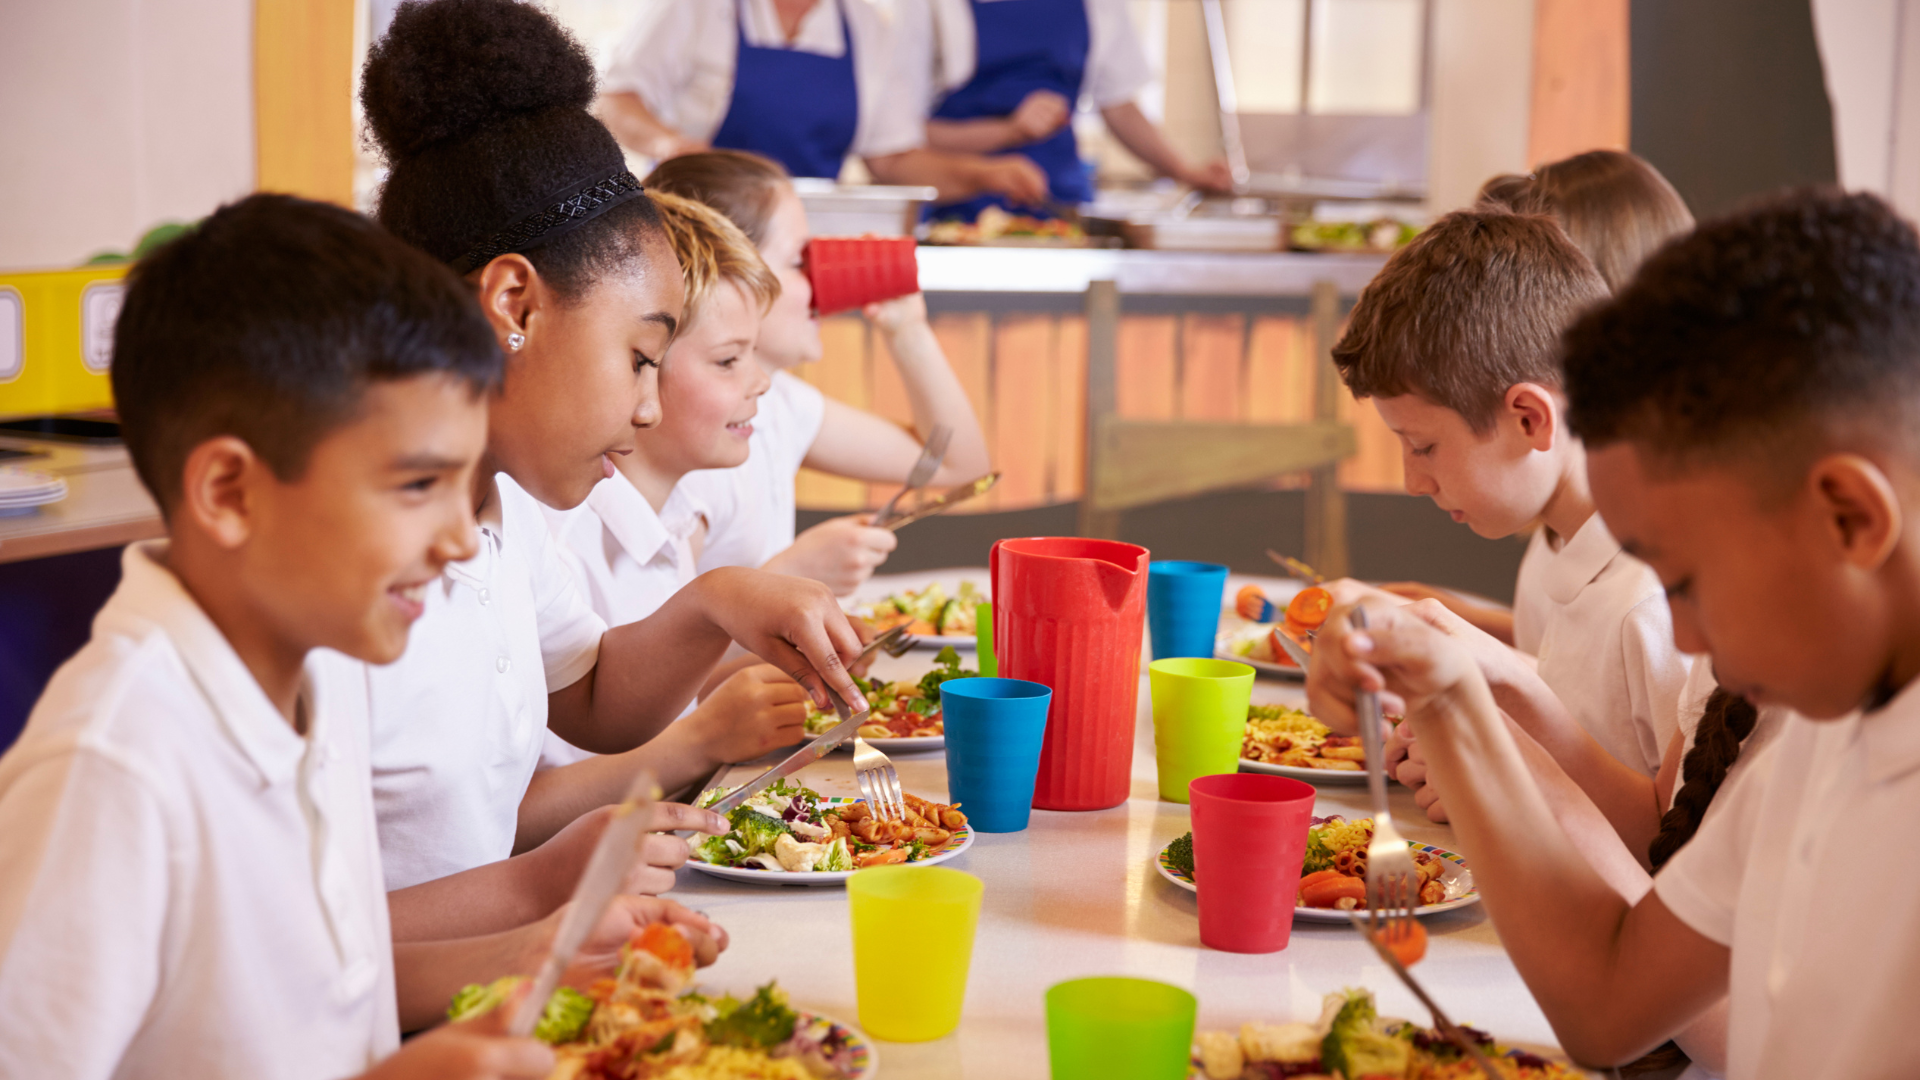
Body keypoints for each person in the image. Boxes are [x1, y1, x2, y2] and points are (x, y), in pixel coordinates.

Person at [0, 193, 724, 1080]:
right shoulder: (115, 765)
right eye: (417, 486)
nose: (462, 542)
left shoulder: (314, 680)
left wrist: (537, 961)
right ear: (229, 494)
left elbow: (316, 989)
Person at [1309, 188, 1920, 1080]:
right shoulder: (1818, 741)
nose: (1678, 628)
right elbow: (1607, 1005)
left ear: (1851, 519)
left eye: (1687, 578)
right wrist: (1449, 693)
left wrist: (1473, 700)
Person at [357, 0, 865, 919]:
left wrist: (719, 599)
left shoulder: (508, 516)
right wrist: (540, 893)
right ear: (513, 305)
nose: (648, 402)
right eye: (640, 356)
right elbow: (304, 944)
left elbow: (586, 693)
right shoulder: (351, 579)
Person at [1328, 207, 1693, 784]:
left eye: (1422, 447)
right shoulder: (1566, 541)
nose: (1412, 482)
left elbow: (1666, 844)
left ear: (1529, 419)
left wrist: (1488, 768)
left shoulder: (1652, 607)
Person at [533, 192, 813, 790]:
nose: (761, 381)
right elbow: (535, 796)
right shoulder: (558, 535)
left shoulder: (678, 517)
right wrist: (706, 735)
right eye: (729, 360)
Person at [1378, 149, 1696, 645]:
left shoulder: (1650, 579)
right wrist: (1448, 617)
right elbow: (1563, 652)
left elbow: (1612, 661)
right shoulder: (1561, 500)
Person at [648, 150, 992, 596]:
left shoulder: (777, 403)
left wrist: (908, 331)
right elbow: (655, 657)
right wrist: (792, 576)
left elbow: (955, 464)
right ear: (733, 270)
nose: (822, 281)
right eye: (799, 260)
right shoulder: (689, 445)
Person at [595, 0, 1046, 208]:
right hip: (696, 228)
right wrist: (670, 143)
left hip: (805, 245)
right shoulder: (695, 8)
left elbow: (892, 159)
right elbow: (615, 103)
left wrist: (986, 174)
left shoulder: (867, 25)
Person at [909, 0, 1233, 219]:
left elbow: (1119, 105)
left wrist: (1184, 171)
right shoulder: (932, 8)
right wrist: (1009, 131)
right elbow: (902, 140)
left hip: (1062, 211)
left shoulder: (1098, 6)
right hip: (953, 214)